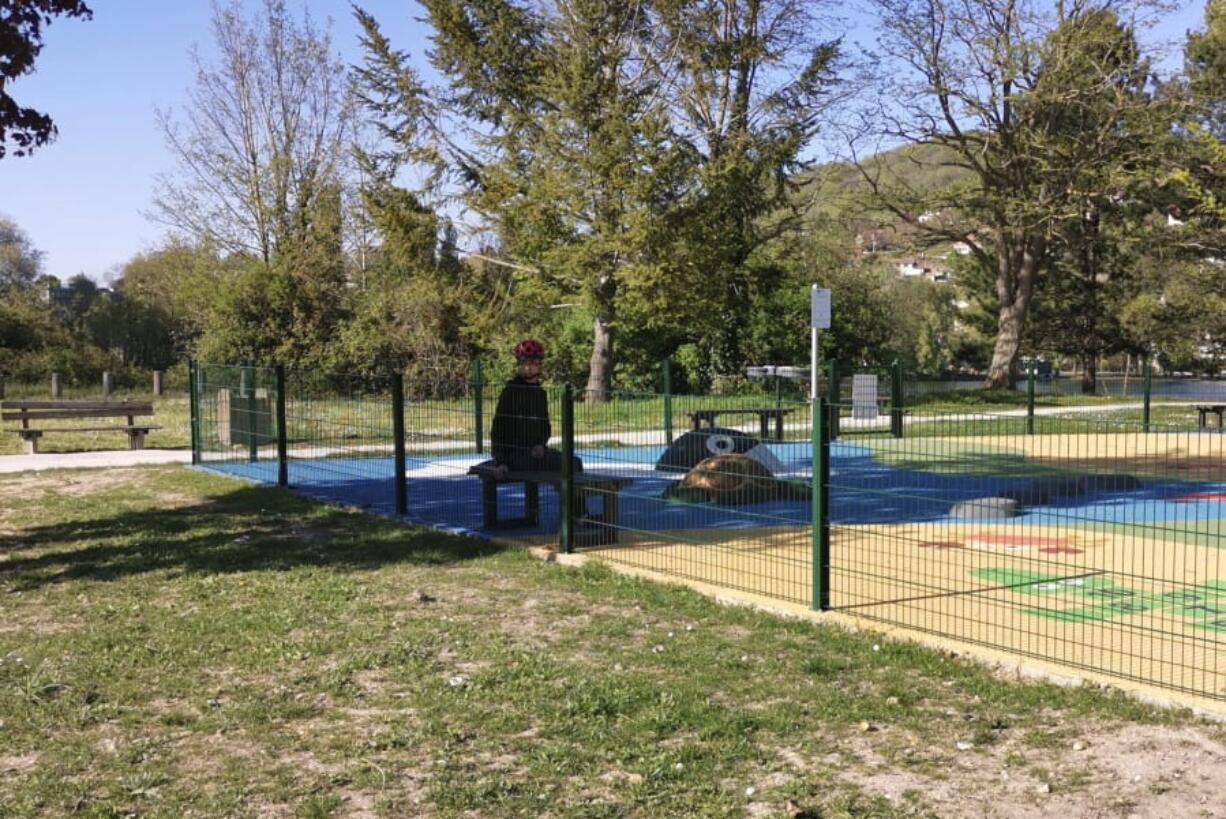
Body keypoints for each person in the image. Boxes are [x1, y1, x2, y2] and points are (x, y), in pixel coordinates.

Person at [490, 339, 584, 479]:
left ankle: (569, 500)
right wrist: (501, 461)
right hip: (514, 456)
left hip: (535, 452)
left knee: (575, 462)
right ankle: (567, 497)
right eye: (524, 363)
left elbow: (544, 425)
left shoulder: (540, 393)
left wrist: (540, 444)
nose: (528, 368)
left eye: (532, 363)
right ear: (519, 365)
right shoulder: (511, 391)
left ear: (539, 365)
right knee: (571, 465)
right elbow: (498, 428)